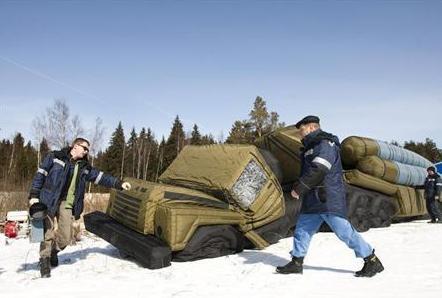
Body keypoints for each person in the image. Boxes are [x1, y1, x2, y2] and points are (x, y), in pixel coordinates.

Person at [275, 116, 384, 277]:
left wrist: (299, 188)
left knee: (344, 231)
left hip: (327, 197)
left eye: (302, 129)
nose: (300, 133)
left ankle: (372, 260)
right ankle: (296, 262)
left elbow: (319, 168)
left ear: (312, 127)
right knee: (302, 230)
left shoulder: (325, 144)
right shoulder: (309, 147)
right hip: (313, 198)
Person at [29, 137, 132, 278]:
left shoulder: (84, 167)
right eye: (85, 148)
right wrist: (34, 195)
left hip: (67, 202)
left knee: (65, 236)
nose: (86, 152)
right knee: (47, 232)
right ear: (75, 146)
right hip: (48, 199)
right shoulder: (55, 157)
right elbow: (40, 175)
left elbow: (101, 177)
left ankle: (54, 251)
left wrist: (119, 183)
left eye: (87, 150)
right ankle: (44, 260)